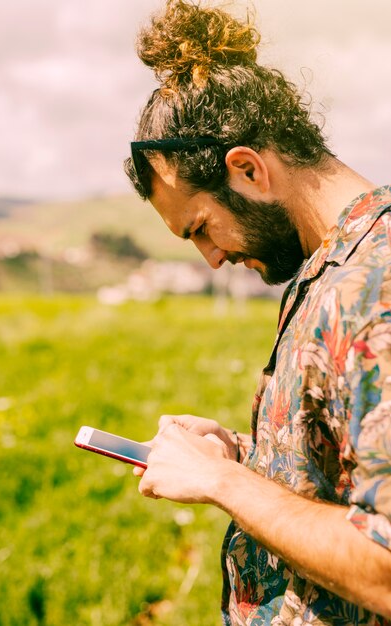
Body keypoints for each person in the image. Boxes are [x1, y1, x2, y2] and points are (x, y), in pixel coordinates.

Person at [124, 1, 391, 623]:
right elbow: (346, 472)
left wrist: (224, 485)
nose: (211, 259)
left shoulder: (376, 288)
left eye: (201, 228)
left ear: (247, 170)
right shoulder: (328, 267)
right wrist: (245, 457)